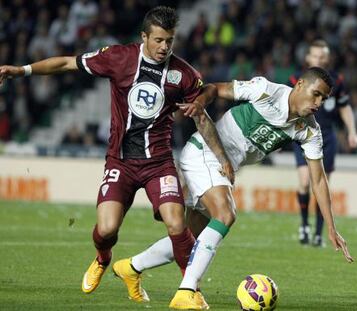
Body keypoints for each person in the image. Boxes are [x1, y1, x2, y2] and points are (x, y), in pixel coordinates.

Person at [0, 6, 234, 305]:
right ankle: (102, 258)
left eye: (170, 41)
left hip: (159, 163)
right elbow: (67, 63)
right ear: (144, 37)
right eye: (159, 40)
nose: (164, 47)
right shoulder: (119, 58)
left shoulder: (183, 74)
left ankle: (190, 292)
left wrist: (222, 157)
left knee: (177, 224)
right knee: (107, 229)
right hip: (120, 162)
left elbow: (202, 117)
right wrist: (23, 70)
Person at [114, 67, 354, 310]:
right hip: (204, 152)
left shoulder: (310, 131)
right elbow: (216, 89)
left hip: (221, 170)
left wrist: (331, 228)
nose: (318, 103)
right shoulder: (265, 91)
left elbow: (319, 180)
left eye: (323, 98)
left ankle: (131, 267)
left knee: (192, 238)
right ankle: (186, 291)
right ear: (300, 84)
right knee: (225, 214)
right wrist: (199, 103)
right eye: (316, 94)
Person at [289, 40, 357, 246]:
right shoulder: (297, 80)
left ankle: (319, 235)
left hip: (327, 138)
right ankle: (304, 226)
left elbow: (344, 107)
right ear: (308, 58)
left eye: (322, 57)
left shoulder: (336, 81)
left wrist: (352, 132)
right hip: (302, 136)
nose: (319, 60)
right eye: (315, 56)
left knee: (322, 185)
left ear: (327, 59)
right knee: (304, 182)